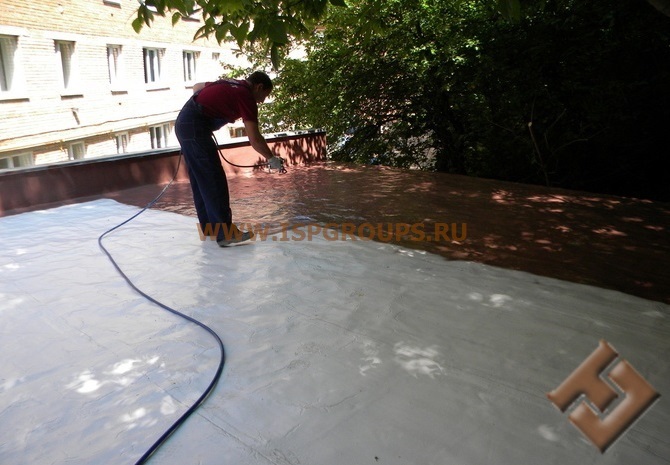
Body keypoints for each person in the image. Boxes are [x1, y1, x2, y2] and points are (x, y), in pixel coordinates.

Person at [175, 71, 280, 247]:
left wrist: (205, 109)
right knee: (213, 178)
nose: (262, 101)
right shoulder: (245, 95)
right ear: (259, 87)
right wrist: (271, 158)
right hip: (194, 128)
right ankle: (225, 233)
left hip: (186, 124)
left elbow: (197, 87)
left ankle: (210, 228)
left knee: (201, 178)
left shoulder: (232, 84)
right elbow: (254, 138)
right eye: (264, 95)